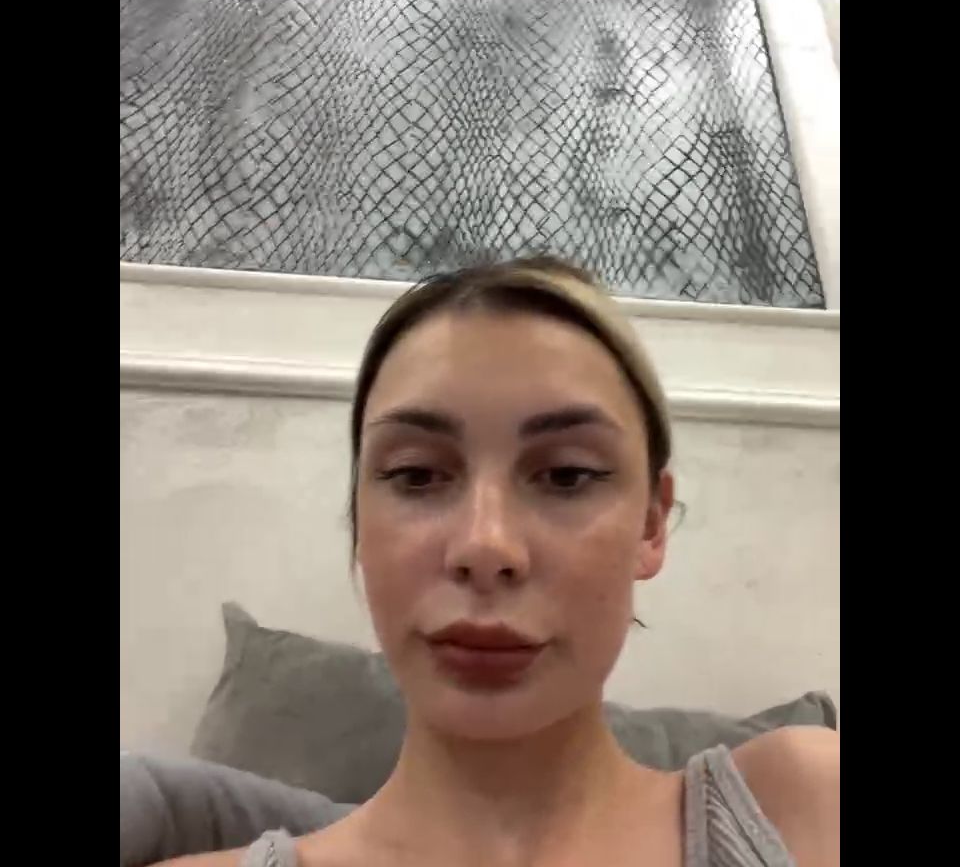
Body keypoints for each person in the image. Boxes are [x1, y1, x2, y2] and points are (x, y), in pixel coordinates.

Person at [157, 257, 839, 867]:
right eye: (417, 475)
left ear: (651, 525)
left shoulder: (808, 807)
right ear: (360, 522)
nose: (485, 547)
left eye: (567, 475)